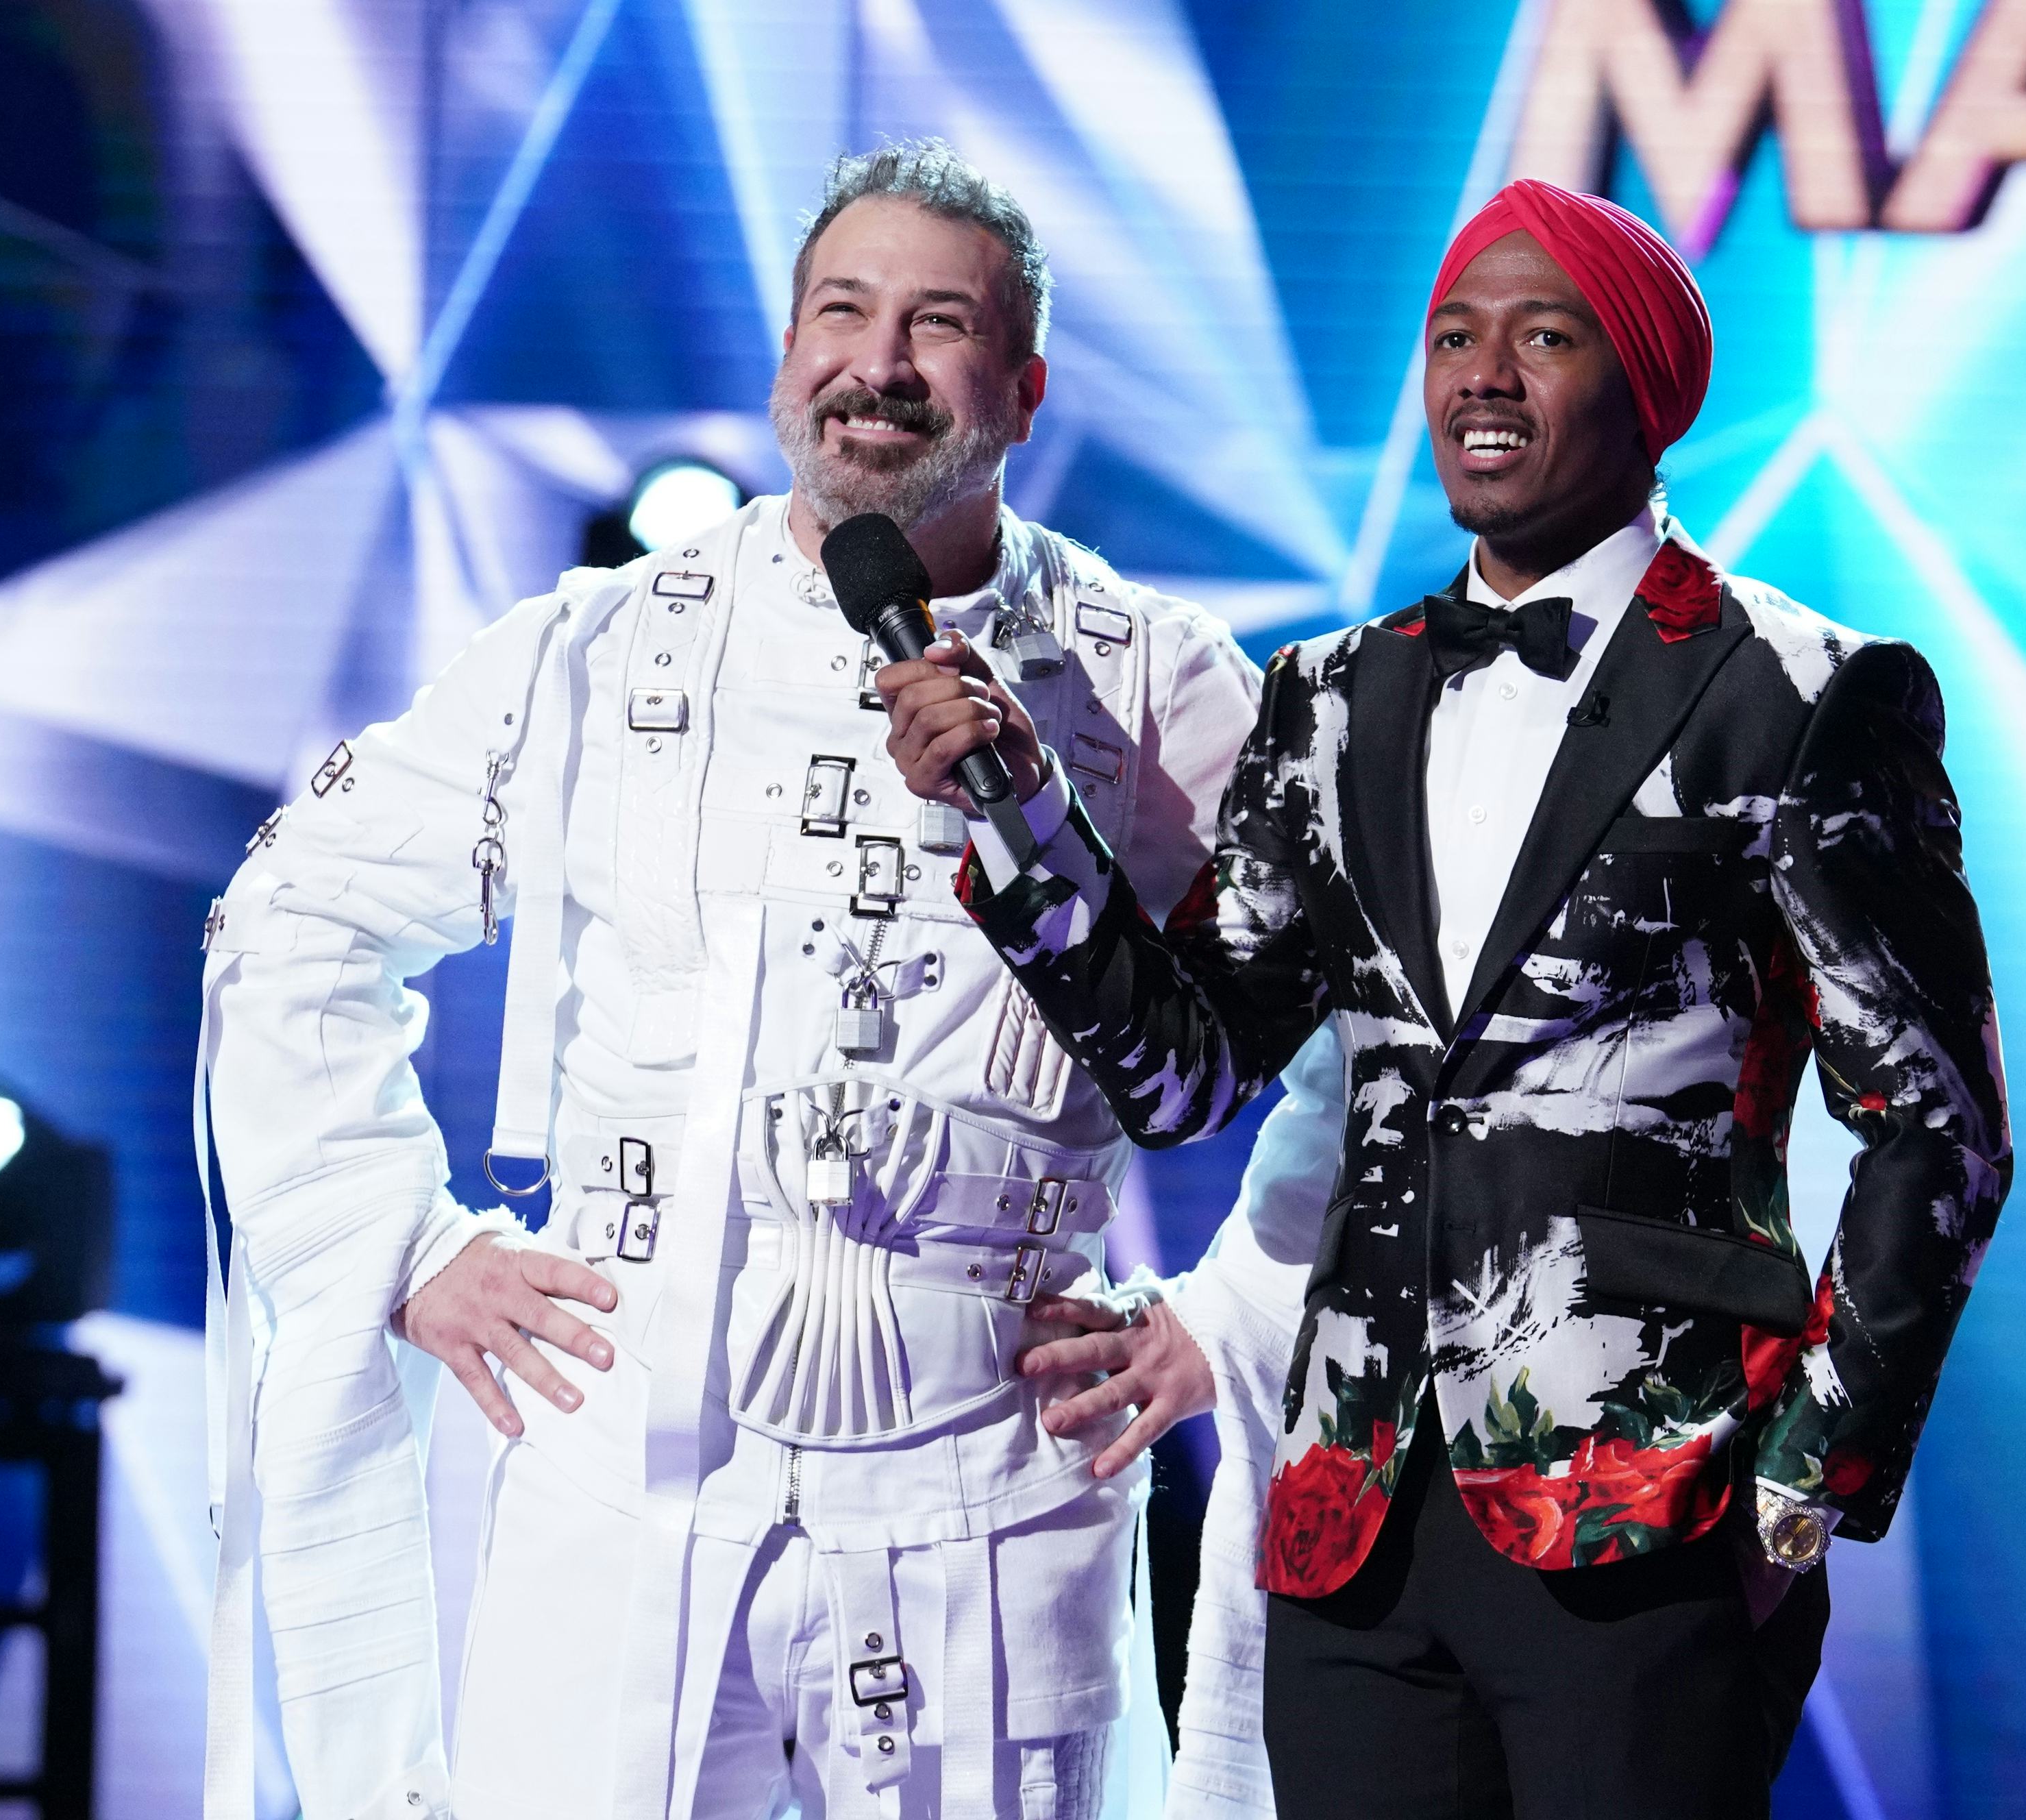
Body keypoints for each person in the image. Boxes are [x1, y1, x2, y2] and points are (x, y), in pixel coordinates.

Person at [880, 177, 2014, 1818]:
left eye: (1542, 337)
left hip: (1656, 1500)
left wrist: (1805, 1479)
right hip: (1353, 1513)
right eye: (1453, 337)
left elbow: (1938, 1127)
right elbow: (1189, 1074)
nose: (1482, 373)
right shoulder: (1333, 695)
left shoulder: (1803, 694)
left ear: (1646, 388)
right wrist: (1023, 820)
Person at [197, 140, 1269, 1820]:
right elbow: (292, 912)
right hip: (622, 1470)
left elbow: (1367, 1042)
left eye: (937, 325)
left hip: (995, 1486)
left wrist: (1226, 1316)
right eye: (842, 311)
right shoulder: (601, 647)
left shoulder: (1158, 684)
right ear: (785, 354)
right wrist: (400, 1240)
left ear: (1025, 386)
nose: (878, 364)